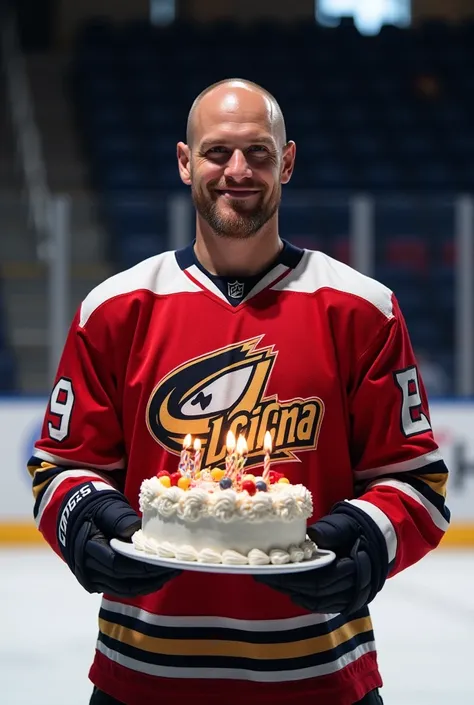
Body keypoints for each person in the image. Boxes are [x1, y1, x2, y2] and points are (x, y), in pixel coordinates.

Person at [28, 79, 450, 705]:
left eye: (257, 152)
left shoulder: (363, 309)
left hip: (321, 679)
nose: (237, 170)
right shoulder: (116, 308)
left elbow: (418, 483)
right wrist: (92, 522)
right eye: (217, 152)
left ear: (287, 161)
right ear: (184, 161)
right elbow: (60, 467)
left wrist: (363, 542)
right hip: (143, 678)